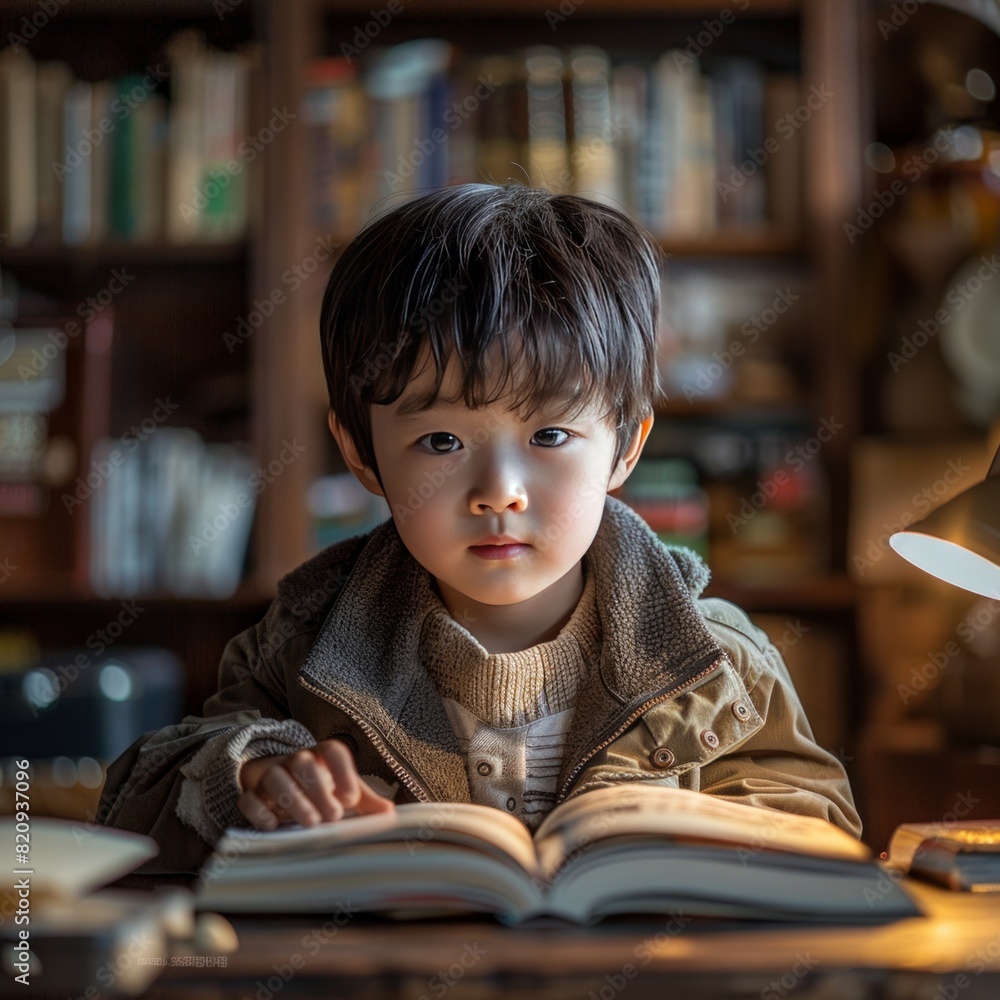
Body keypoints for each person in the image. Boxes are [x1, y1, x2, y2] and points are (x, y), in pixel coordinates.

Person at [99, 184, 861, 873]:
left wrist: (705, 839)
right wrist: (253, 779)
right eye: (441, 443)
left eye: (551, 437)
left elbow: (822, 826)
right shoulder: (303, 647)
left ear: (626, 445)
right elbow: (137, 803)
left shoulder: (717, 660)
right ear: (362, 455)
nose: (499, 494)